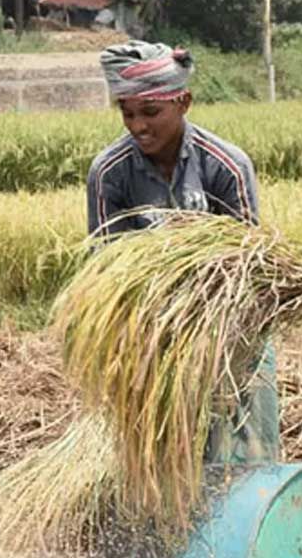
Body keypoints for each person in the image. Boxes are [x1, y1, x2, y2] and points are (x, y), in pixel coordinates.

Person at [87, 40, 277, 465]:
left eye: (151, 112)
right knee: (163, 467)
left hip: (232, 341)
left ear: (184, 101)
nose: (138, 126)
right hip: (149, 345)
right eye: (128, 113)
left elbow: (248, 268)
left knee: (247, 462)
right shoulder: (109, 173)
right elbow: (106, 275)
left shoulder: (225, 165)